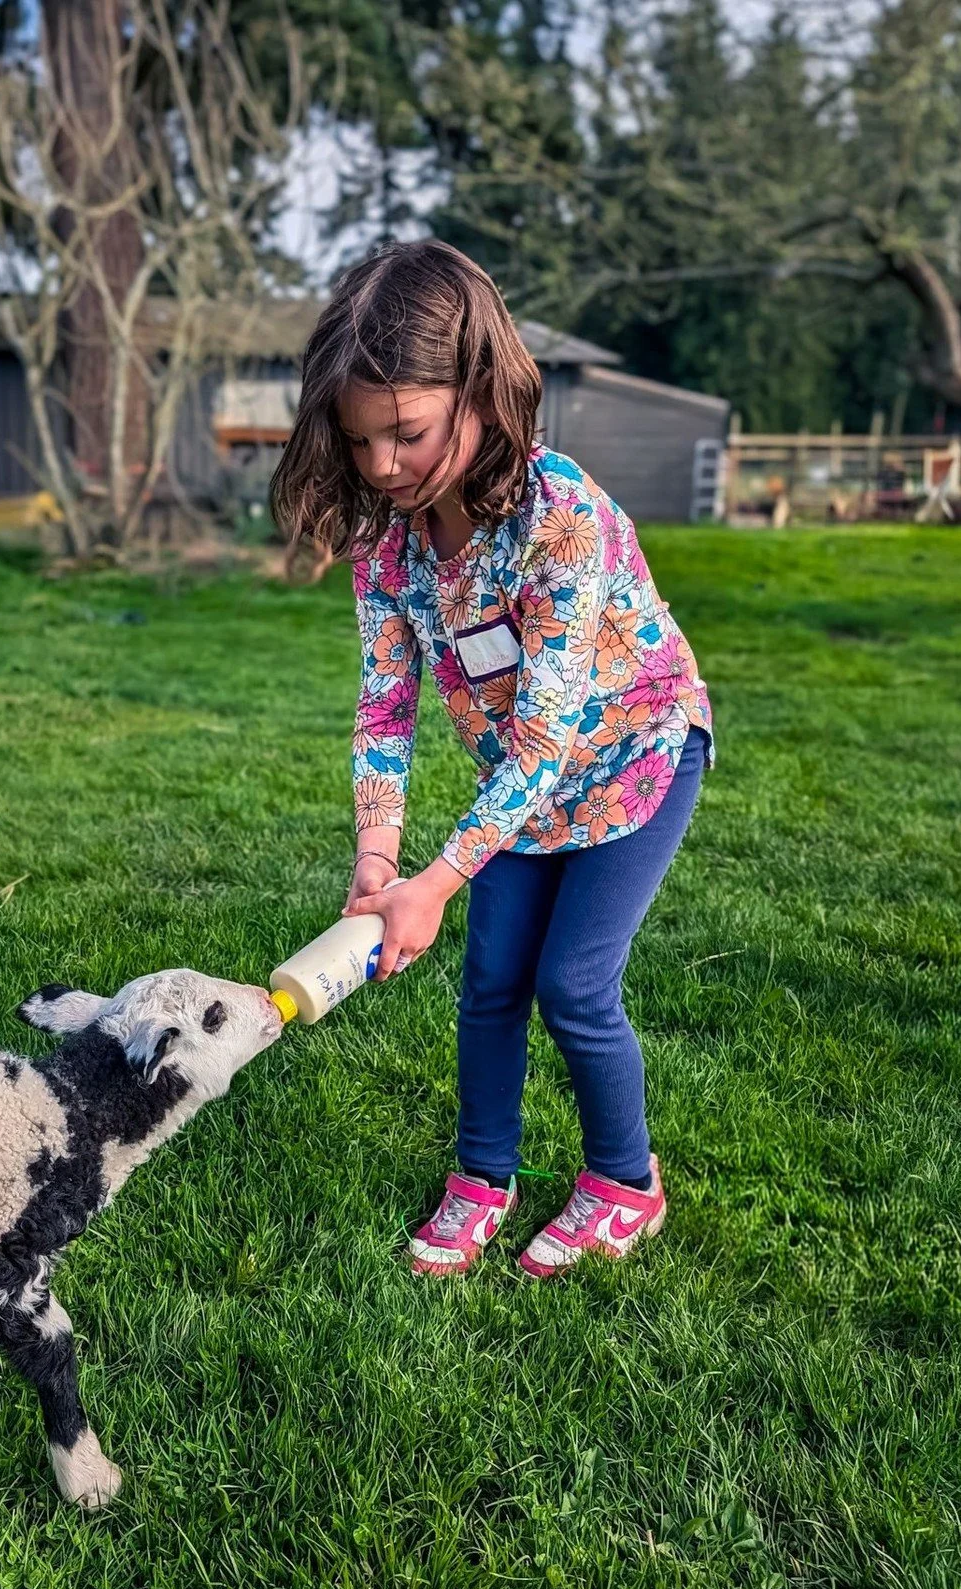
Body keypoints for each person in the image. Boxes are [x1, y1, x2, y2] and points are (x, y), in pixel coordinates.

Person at [270, 240, 714, 1279]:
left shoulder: (562, 517)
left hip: (634, 758)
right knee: (490, 982)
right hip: (521, 795)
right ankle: (484, 1172)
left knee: (572, 983)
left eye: (408, 433)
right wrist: (380, 858)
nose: (383, 464)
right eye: (362, 440)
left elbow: (550, 735)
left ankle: (624, 1181)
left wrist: (438, 876)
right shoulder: (389, 548)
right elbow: (386, 710)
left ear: (481, 388)